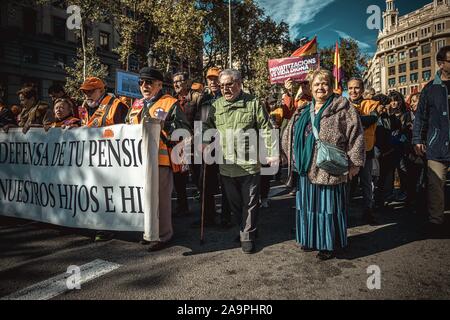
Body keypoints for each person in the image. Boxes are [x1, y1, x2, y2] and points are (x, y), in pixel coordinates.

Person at [202, 69, 278, 254]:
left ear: (239, 83)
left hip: (250, 164)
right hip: (226, 166)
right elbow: (207, 125)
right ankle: (245, 228)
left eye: (229, 84)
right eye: (222, 86)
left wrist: (273, 152)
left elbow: (267, 129)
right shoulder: (216, 105)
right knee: (235, 205)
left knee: (250, 203)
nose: (225, 89)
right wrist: (204, 141)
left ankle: (247, 236)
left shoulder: (253, 103)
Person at [292, 68, 365, 260]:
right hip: (307, 168)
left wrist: (355, 163)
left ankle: (329, 244)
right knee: (308, 207)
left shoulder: (343, 106)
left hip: (330, 168)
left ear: (331, 86)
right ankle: (309, 239)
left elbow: (356, 134)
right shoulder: (304, 110)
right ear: (310, 87)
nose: (320, 88)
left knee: (328, 208)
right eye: (316, 84)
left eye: (324, 83)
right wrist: (290, 155)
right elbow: (290, 134)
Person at [126, 67, 190, 251]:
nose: (144, 86)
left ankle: (163, 235)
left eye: (148, 82)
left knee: (160, 200)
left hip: (160, 160)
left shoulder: (170, 103)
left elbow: (183, 129)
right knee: (144, 199)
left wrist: (166, 125)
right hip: (137, 161)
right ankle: (149, 232)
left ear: (159, 84)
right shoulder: (136, 105)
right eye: (141, 82)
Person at [79, 77, 129, 242]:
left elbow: (125, 131)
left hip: (112, 158)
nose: (87, 95)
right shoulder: (85, 108)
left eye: (90, 91)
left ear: (101, 90)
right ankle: (96, 223)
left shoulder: (117, 105)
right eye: (85, 92)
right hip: (91, 158)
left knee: (108, 193)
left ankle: (108, 226)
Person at [413, 45, 450, 236]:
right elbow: (420, 116)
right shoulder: (430, 89)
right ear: (441, 63)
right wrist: (418, 139)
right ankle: (436, 222)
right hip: (437, 147)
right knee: (436, 187)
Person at [192, 67, 230, 228]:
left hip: (225, 146)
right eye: (210, 79)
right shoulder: (204, 99)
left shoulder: (228, 97)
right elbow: (198, 121)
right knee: (205, 183)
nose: (213, 82)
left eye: (216, 78)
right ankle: (207, 216)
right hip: (206, 146)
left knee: (226, 182)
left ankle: (226, 217)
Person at [348, 78, 380, 224]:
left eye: (356, 88)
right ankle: (344, 213)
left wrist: (353, 119)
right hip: (348, 151)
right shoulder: (343, 104)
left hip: (367, 149)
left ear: (362, 89)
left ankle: (368, 211)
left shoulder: (371, 104)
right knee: (348, 184)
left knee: (367, 183)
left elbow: (372, 118)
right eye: (350, 88)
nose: (353, 91)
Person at [172, 72, 201, 216]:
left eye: (180, 81)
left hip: (195, 143)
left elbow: (202, 119)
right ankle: (182, 206)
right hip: (178, 144)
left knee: (197, 176)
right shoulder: (171, 100)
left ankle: (205, 209)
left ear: (187, 82)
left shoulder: (197, 97)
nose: (176, 84)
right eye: (174, 81)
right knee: (179, 177)